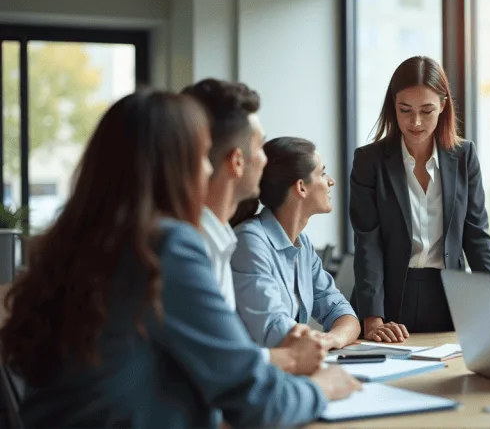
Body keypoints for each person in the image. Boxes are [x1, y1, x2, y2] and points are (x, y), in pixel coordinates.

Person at [0, 91, 361, 428]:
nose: (208, 171)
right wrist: (325, 387)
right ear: (173, 165)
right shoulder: (164, 247)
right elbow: (255, 400)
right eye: (201, 156)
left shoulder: (89, 244)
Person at [349, 55, 490, 343]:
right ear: (393, 106)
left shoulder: (464, 157)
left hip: (448, 298)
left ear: (443, 106)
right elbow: (368, 243)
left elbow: (477, 239)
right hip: (387, 300)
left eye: (426, 111)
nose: (415, 122)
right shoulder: (369, 161)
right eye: (405, 110)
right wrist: (372, 319)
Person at [182, 78, 327, 375]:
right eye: (260, 146)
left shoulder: (220, 241)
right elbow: (223, 365)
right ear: (237, 161)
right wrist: (311, 378)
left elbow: (226, 356)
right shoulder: (190, 248)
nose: (265, 159)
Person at [230, 137, 360, 349]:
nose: (331, 181)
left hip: (293, 365)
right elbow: (274, 330)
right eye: (322, 173)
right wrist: (319, 343)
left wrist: (332, 339)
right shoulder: (249, 241)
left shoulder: (304, 246)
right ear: (301, 187)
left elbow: (342, 312)